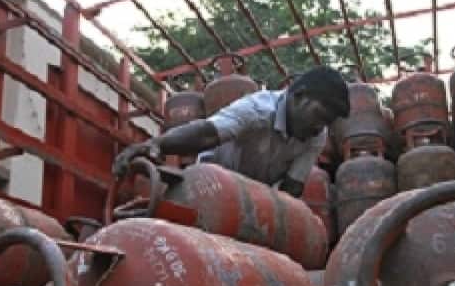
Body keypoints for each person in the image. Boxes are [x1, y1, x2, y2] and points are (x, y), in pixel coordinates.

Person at [112, 66, 350, 197]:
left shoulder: (316, 135)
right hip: (209, 186)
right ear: (298, 96)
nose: (320, 127)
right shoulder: (258, 109)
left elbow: (292, 188)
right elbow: (207, 133)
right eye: (319, 116)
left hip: (252, 199)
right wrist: (154, 145)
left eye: (327, 122)